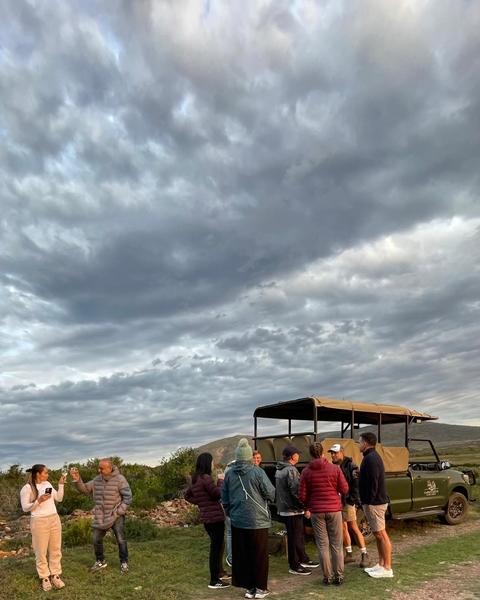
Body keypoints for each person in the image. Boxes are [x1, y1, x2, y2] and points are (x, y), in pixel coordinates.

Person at [221, 438, 275, 599]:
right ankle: (261, 588)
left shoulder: (229, 473)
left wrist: (231, 513)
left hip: (237, 520)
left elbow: (224, 498)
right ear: (249, 456)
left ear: (237, 457)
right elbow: (270, 493)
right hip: (257, 520)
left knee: (243, 555)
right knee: (259, 554)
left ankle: (249, 588)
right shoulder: (258, 472)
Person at [70, 458, 132, 573]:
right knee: (96, 539)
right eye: (99, 467)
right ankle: (100, 561)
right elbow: (85, 489)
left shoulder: (120, 480)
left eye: (102, 468)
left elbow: (127, 498)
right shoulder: (97, 480)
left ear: (110, 469)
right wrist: (77, 479)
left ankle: (124, 562)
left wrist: (119, 512)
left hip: (115, 515)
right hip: (100, 515)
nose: (99, 470)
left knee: (121, 540)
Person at [299, 442, 349, 585]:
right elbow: (344, 489)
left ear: (311, 454)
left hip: (317, 511)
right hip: (334, 509)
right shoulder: (335, 468)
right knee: (336, 544)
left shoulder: (306, 472)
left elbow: (302, 495)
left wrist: (310, 503)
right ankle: (339, 575)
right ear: (322, 453)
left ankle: (327, 576)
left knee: (322, 544)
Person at [185, 452, 230, 590]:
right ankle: (214, 580)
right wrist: (221, 481)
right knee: (216, 549)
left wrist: (201, 502)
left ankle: (219, 573)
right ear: (207, 463)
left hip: (207, 518)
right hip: (215, 518)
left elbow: (187, 496)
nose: (213, 465)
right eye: (212, 462)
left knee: (217, 546)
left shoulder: (195, 479)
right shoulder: (206, 479)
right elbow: (218, 495)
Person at [20, 464, 66, 591]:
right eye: (46, 473)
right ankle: (45, 577)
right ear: (38, 474)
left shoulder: (48, 484)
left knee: (55, 549)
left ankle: (55, 575)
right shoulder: (27, 488)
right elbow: (25, 508)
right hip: (39, 521)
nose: (48, 474)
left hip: (54, 519)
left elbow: (59, 498)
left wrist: (61, 485)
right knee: (41, 551)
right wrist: (38, 501)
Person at [275, 445, 319, 576]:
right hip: (292, 510)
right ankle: (295, 565)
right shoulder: (290, 470)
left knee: (298, 535)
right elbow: (296, 492)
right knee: (295, 537)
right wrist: (305, 507)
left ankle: (303, 559)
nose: (298, 456)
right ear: (293, 456)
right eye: (297, 454)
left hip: (286, 508)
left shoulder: (280, 469)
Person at [328, 443, 371, 568]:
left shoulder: (351, 466)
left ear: (342, 452)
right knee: (343, 528)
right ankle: (349, 554)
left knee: (353, 527)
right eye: (332, 453)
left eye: (335, 452)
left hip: (347, 501)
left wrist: (352, 500)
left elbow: (356, 485)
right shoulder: (333, 466)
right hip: (337, 501)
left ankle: (364, 554)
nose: (333, 455)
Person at [357, 432, 393, 578]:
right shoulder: (371, 457)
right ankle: (381, 563)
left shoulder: (371, 459)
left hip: (375, 503)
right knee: (378, 535)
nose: (358, 445)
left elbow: (374, 482)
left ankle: (387, 568)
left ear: (365, 444)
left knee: (381, 534)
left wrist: (369, 501)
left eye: (359, 442)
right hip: (374, 502)